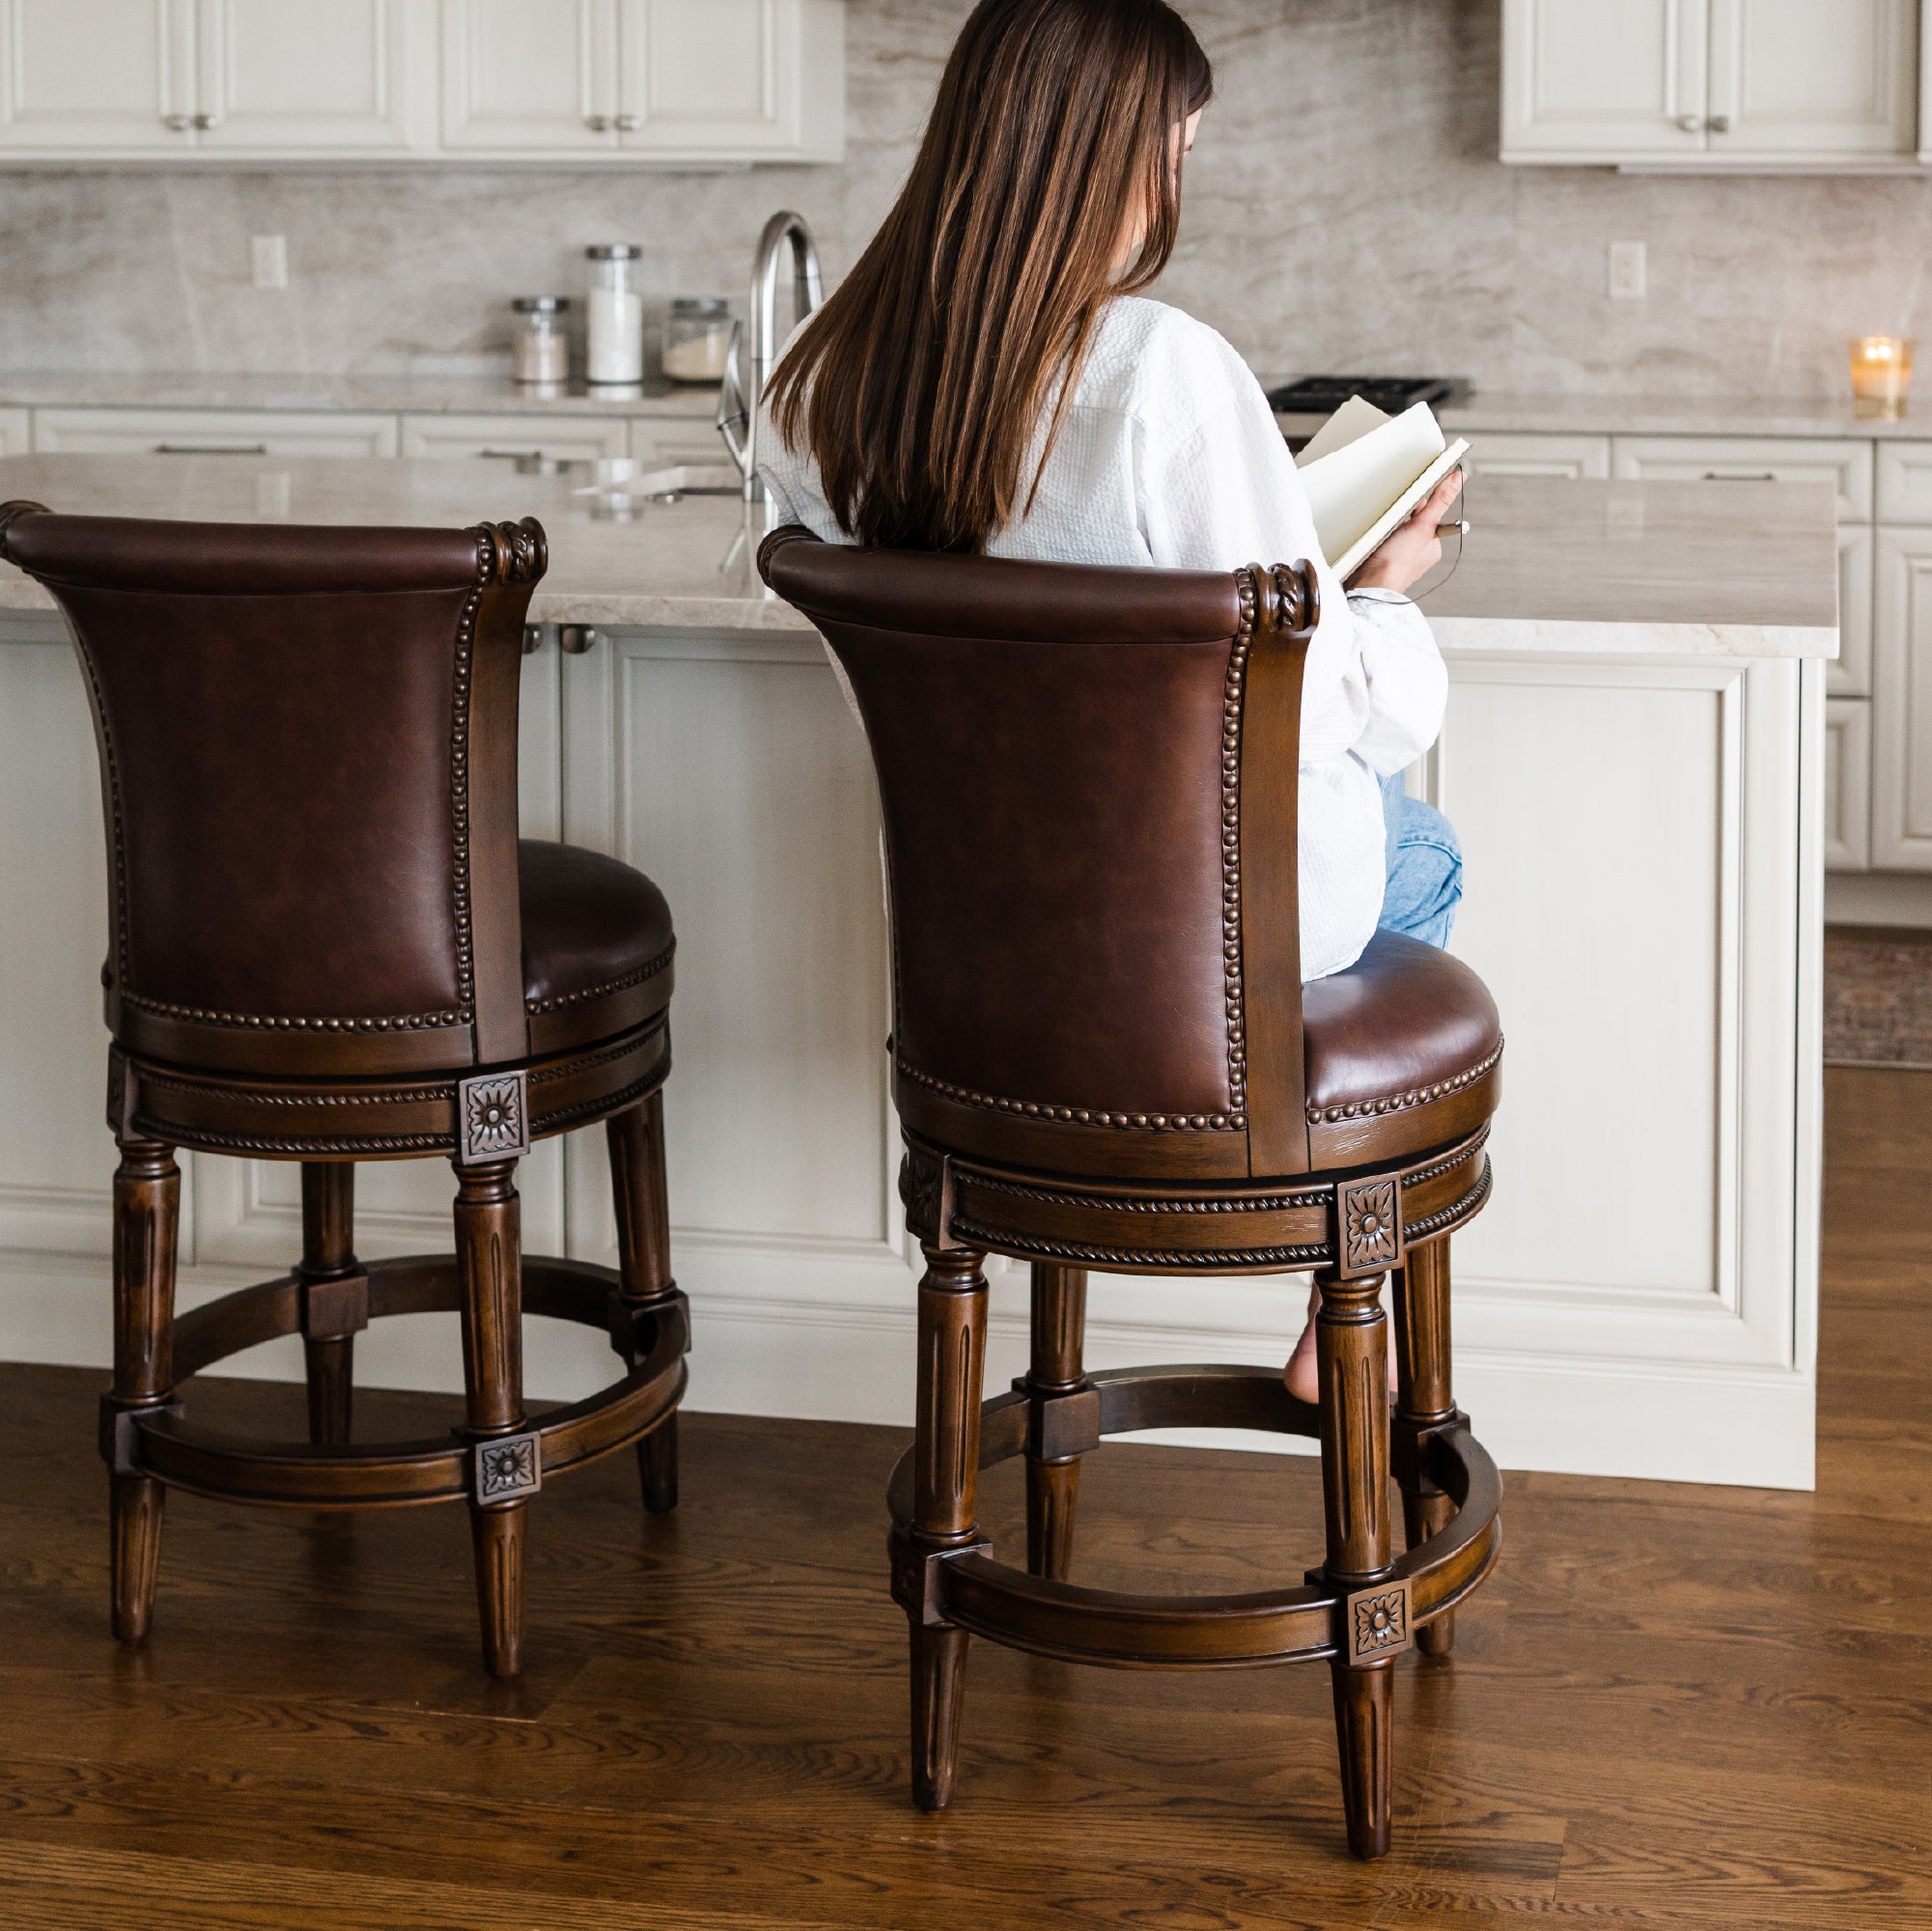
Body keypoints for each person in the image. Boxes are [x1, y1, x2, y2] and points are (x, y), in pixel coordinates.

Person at [757, 0, 1465, 1406]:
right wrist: (1380, 588)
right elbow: (1344, 712)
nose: (1178, 180)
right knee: (1424, 848)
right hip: (1200, 952)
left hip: (981, 954)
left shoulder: (817, 379)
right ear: (1117, 153)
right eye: (1178, 147)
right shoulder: (1160, 372)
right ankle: (1346, 1288)